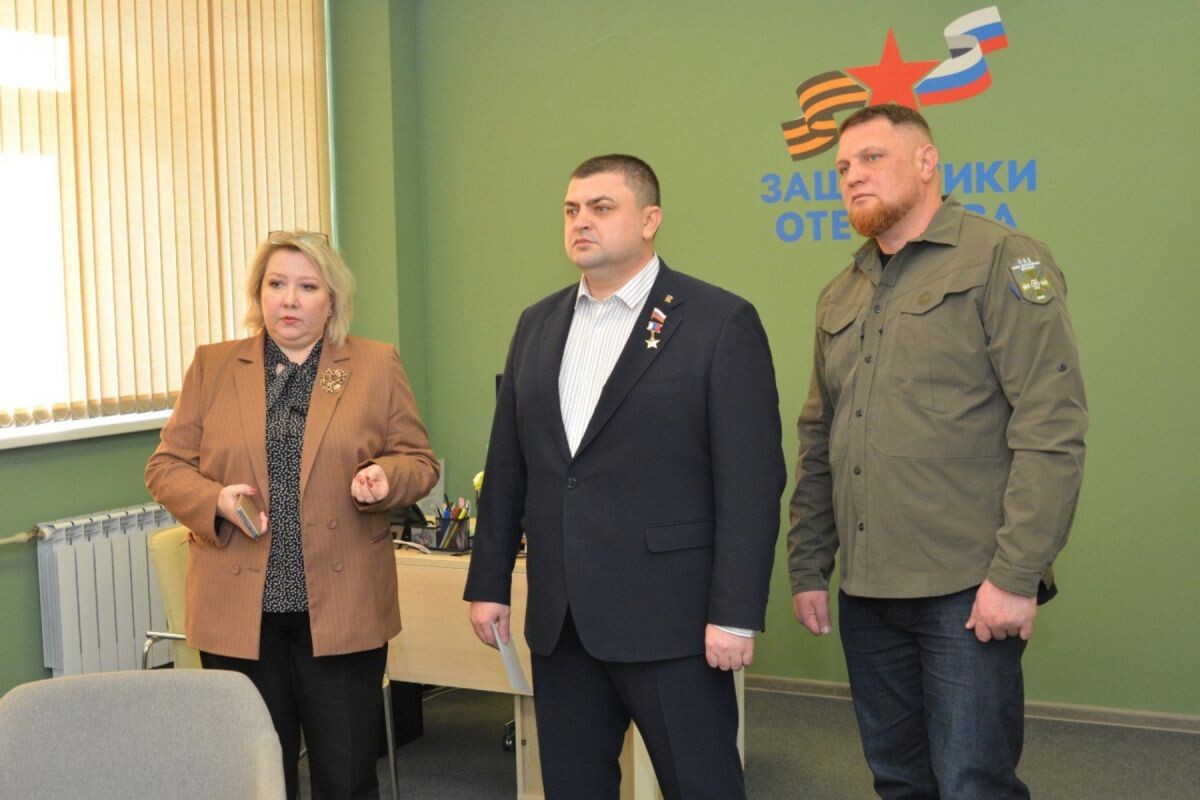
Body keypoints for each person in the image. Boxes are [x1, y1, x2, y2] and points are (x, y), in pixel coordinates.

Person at [787, 104, 1087, 799]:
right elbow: (820, 439)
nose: (852, 177)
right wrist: (808, 564)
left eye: (872, 158)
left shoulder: (1000, 258)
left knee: (972, 784)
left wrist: (1016, 574)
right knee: (897, 780)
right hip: (867, 591)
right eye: (842, 167)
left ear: (927, 163)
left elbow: (1050, 424)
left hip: (967, 589)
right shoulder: (842, 293)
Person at [464, 154, 785, 799]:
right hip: (563, 623)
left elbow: (751, 483)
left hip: (673, 621)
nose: (581, 221)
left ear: (649, 219)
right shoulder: (537, 323)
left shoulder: (718, 321)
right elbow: (508, 465)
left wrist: (735, 614)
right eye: (571, 210)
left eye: (601, 208)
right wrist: (489, 581)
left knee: (703, 787)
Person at [146, 230, 439, 800]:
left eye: (307, 287)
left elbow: (419, 461)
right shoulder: (214, 366)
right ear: (259, 293)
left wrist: (387, 476)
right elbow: (166, 467)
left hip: (342, 604)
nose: (289, 299)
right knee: (255, 774)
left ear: (332, 299)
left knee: (346, 775)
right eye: (276, 284)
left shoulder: (373, 364)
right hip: (240, 611)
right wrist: (215, 500)